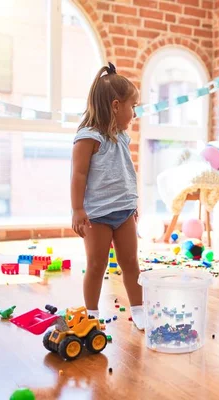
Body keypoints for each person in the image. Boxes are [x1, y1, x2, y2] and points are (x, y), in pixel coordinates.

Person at [70, 62, 145, 330]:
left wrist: (132, 202)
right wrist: (78, 210)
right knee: (96, 265)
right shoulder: (88, 137)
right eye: (132, 106)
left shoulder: (122, 137)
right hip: (98, 215)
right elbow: (78, 175)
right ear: (116, 106)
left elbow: (126, 170)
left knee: (131, 263)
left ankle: (138, 308)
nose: (134, 113)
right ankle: (91, 313)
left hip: (124, 212)